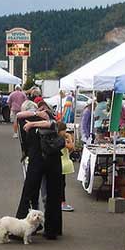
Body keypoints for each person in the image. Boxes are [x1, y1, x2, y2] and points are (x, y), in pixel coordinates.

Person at [15, 102, 63, 239]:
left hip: (37, 159)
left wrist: (32, 123)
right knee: (53, 194)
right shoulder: (44, 115)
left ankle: (25, 227)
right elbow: (53, 124)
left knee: (29, 193)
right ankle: (52, 229)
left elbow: (51, 124)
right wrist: (36, 116)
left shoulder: (25, 119)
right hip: (52, 159)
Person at [58, 122, 75, 212]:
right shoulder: (61, 140)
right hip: (62, 164)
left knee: (60, 184)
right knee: (61, 185)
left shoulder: (57, 139)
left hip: (60, 164)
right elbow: (72, 147)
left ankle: (60, 202)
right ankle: (62, 203)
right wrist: (69, 137)